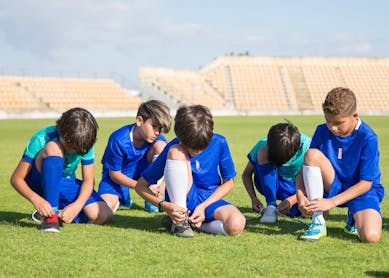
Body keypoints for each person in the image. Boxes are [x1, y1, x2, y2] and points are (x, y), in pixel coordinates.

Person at [135, 104, 246, 237]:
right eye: (192, 147)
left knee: (236, 224)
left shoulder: (220, 142)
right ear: (180, 138)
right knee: (176, 151)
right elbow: (140, 186)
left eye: (201, 147)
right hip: (183, 201)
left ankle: (192, 223)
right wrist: (163, 205)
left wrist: (203, 207)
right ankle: (180, 222)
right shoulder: (173, 147)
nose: (196, 151)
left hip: (209, 200)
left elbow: (229, 182)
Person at [296, 87, 384, 242]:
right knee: (311, 154)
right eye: (328, 121)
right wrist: (300, 195)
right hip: (334, 184)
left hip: (361, 191)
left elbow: (366, 183)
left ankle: (354, 216)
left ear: (354, 116)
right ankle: (318, 221)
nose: (332, 127)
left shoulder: (368, 137)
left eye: (338, 123)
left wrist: (331, 202)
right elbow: (306, 166)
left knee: (371, 237)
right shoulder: (322, 131)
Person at [10, 107, 113, 233]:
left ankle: (55, 211)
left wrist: (77, 205)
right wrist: (36, 199)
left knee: (104, 215)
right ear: (61, 132)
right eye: (70, 145)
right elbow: (16, 179)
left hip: (65, 183)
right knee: (53, 148)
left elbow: (89, 180)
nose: (73, 151)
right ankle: (50, 217)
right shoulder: (42, 138)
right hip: (38, 182)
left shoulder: (85, 142)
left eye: (78, 149)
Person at [98, 100, 172, 213]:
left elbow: (164, 168)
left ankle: (151, 198)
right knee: (103, 210)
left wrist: (156, 188)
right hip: (119, 177)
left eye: (160, 128)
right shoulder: (118, 139)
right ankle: (123, 199)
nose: (157, 132)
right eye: (154, 126)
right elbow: (114, 175)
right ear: (139, 121)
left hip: (144, 175)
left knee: (162, 147)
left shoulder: (158, 141)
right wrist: (142, 187)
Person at [242, 121, 311, 224]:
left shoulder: (309, 146)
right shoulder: (264, 144)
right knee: (262, 151)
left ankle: (290, 208)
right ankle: (271, 206)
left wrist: (292, 200)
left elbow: (316, 182)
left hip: (299, 188)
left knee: (309, 211)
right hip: (272, 183)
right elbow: (246, 175)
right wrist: (253, 198)